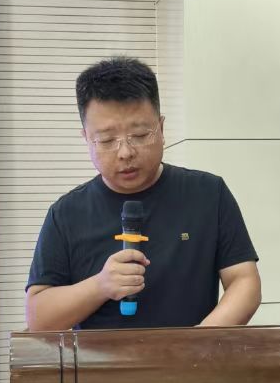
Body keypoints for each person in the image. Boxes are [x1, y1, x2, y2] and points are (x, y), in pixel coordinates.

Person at [25, 57, 261, 332]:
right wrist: (101, 285)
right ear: (87, 139)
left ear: (161, 129)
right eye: (107, 140)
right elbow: (39, 318)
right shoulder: (66, 213)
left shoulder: (209, 194)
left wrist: (199, 342)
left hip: (193, 357)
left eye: (139, 135)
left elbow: (244, 281)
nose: (125, 152)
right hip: (100, 361)